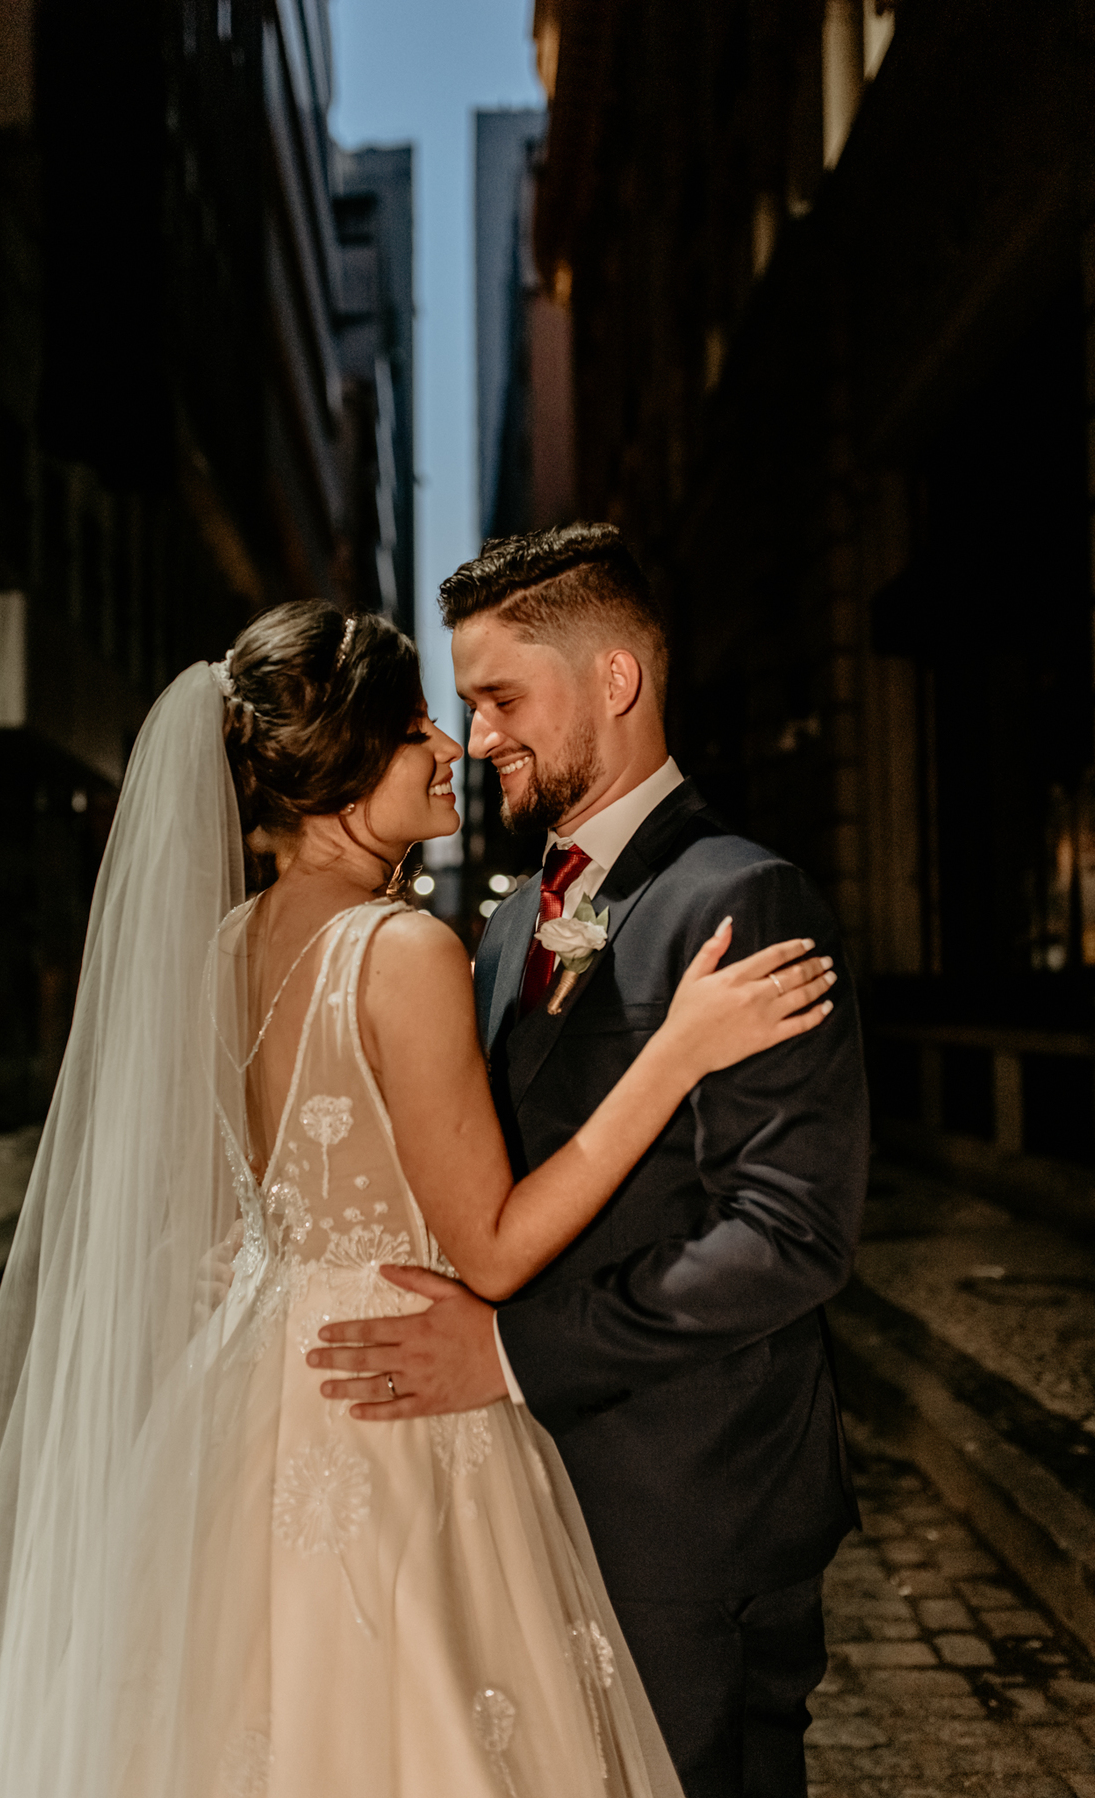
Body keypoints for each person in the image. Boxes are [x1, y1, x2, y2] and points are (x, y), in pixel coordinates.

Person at [0, 599, 834, 1798]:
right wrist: (677, 1049)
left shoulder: (226, 948)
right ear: (337, 761)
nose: (447, 748)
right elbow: (493, 1252)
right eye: (410, 730)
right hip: (393, 1399)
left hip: (261, 1388)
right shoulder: (401, 952)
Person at [309, 525, 871, 1798]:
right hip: (526, 1504)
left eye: (502, 698)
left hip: (689, 1510)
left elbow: (789, 1234)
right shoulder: (511, 924)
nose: (479, 737)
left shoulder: (745, 898)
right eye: (468, 704)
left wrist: (511, 1353)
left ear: (615, 679)